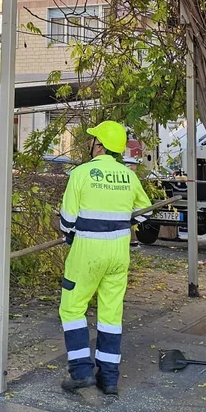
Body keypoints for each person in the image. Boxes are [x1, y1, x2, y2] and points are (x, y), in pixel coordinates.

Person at [58, 121, 151, 396]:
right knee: (111, 313)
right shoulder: (128, 176)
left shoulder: (80, 173)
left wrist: (70, 232)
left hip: (87, 251)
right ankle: (109, 378)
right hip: (118, 253)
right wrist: (119, 222)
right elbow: (145, 212)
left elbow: (67, 221)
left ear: (99, 146)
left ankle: (81, 372)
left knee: (72, 309)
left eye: (94, 140)